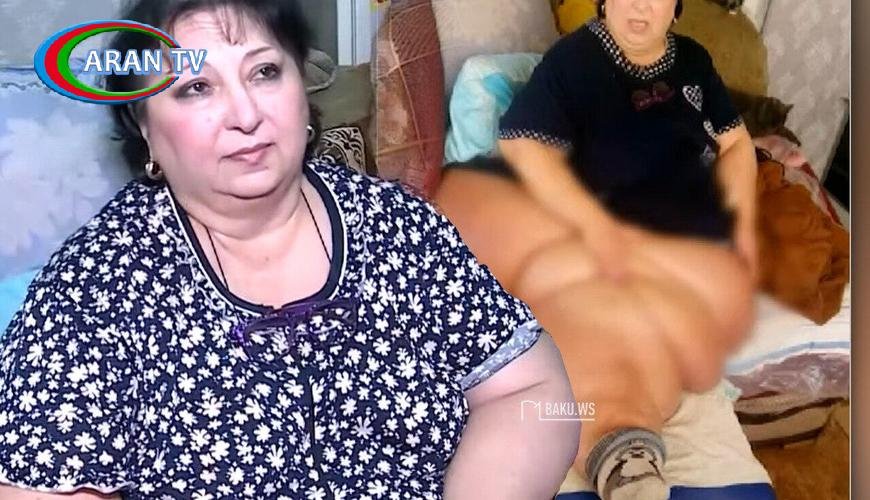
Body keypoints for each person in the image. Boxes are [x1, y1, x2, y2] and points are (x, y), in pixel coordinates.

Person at [0, 1, 579, 498]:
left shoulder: (397, 225)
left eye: (265, 72)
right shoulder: (93, 286)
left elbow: (529, 392)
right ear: (146, 126)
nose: (246, 114)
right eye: (197, 88)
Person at [434, 0, 758, 499]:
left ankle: (624, 441)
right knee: (591, 328)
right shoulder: (576, 60)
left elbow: (736, 143)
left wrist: (738, 226)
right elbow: (522, 143)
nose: (640, 4)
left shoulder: (693, 59)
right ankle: (623, 453)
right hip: (605, 235)